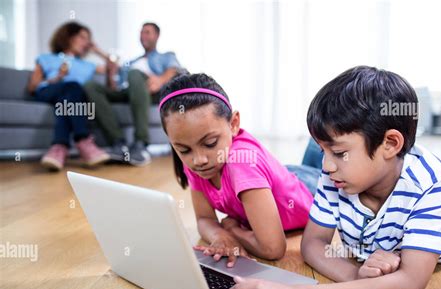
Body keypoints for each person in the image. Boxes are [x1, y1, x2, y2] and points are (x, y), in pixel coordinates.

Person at [217, 66, 441, 289]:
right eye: (323, 151)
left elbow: (408, 287)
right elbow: (313, 243)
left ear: (390, 143)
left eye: (339, 153)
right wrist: (356, 276)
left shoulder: (434, 186)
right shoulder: (336, 174)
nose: (327, 166)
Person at [158, 73, 317, 266]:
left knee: (328, 148)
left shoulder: (241, 163)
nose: (198, 160)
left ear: (234, 124)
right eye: (183, 149)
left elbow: (273, 248)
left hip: (309, 187)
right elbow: (204, 219)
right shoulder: (197, 161)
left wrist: (233, 230)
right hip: (280, 178)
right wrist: (219, 235)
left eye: (210, 143)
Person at [84, 22, 183, 166]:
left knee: (135, 74)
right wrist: (109, 71)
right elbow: (115, 82)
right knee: (91, 86)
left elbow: (174, 69)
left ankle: (140, 144)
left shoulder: (165, 56)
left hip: (152, 91)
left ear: (157, 36)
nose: (143, 35)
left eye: (147, 32)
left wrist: (160, 80)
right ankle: (118, 143)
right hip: (128, 91)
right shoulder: (131, 62)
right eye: (141, 32)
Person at [28, 21, 110, 170]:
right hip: (48, 90)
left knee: (70, 95)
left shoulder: (88, 65)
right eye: (82, 37)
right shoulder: (46, 58)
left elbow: (114, 67)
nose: (86, 42)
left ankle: (59, 147)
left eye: (88, 39)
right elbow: (33, 86)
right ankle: (83, 139)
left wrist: (98, 51)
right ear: (69, 37)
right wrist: (58, 76)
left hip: (72, 97)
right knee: (72, 86)